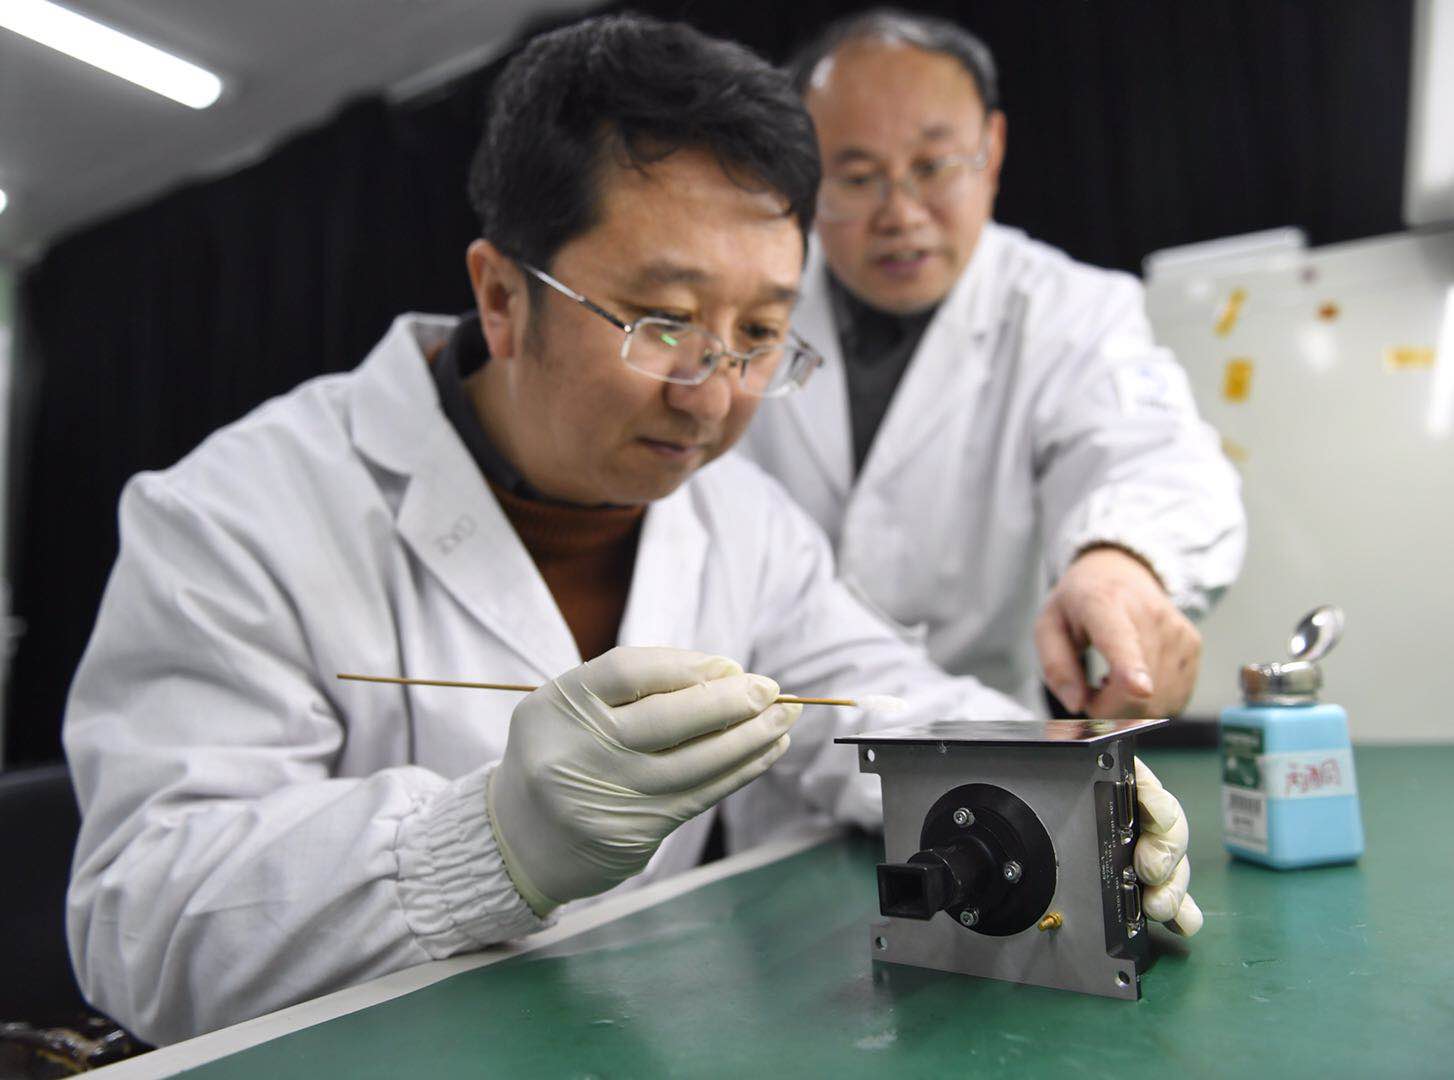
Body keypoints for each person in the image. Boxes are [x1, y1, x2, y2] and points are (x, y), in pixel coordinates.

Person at [64, 15, 1200, 1047]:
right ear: (500, 298)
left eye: (760, 333)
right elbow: (139, 926)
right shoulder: (235, 514)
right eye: (662, 321)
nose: (713, 397)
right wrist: (490, 841)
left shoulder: (739, 519)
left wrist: (1053, 789)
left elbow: (873, 699)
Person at [739, 10, 1246, 720]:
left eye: (933, 166)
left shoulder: (1072, 311)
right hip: (763, 740)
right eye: (855, 177)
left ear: (993, 150)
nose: (901, 214)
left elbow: (1157, 456)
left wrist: (1121, 563)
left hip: (982, 735)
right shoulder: (743, 300)